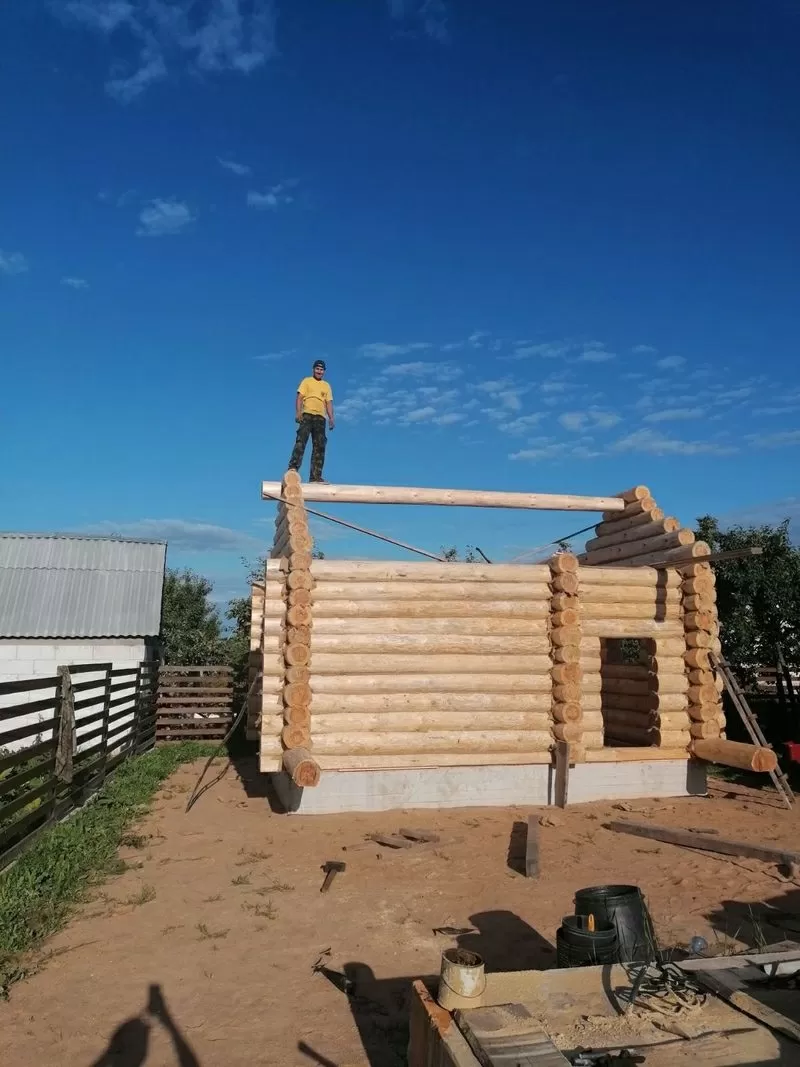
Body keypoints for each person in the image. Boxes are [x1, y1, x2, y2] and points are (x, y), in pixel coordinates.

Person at [288, 359, 335, 482]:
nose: (319, 371)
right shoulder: (307, 381)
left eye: (321, 370)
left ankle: (315, 476)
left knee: (319, 445)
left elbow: (329, 403)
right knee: (301, 440)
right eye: (317, 369)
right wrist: (298, 412)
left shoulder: (326, 386)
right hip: (307, 414)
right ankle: (293, 467)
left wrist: (331, 418)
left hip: (320, 417)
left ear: (324, 372)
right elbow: (299, 397)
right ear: (313, 369)